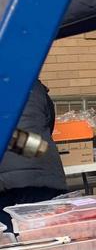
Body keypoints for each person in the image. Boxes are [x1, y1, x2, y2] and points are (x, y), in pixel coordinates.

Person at [0, 79, 67, 231]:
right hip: (43, 168)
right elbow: (48, 123)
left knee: (8, 238)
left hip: (5, 182)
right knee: (46, 234)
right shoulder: (33, 84)